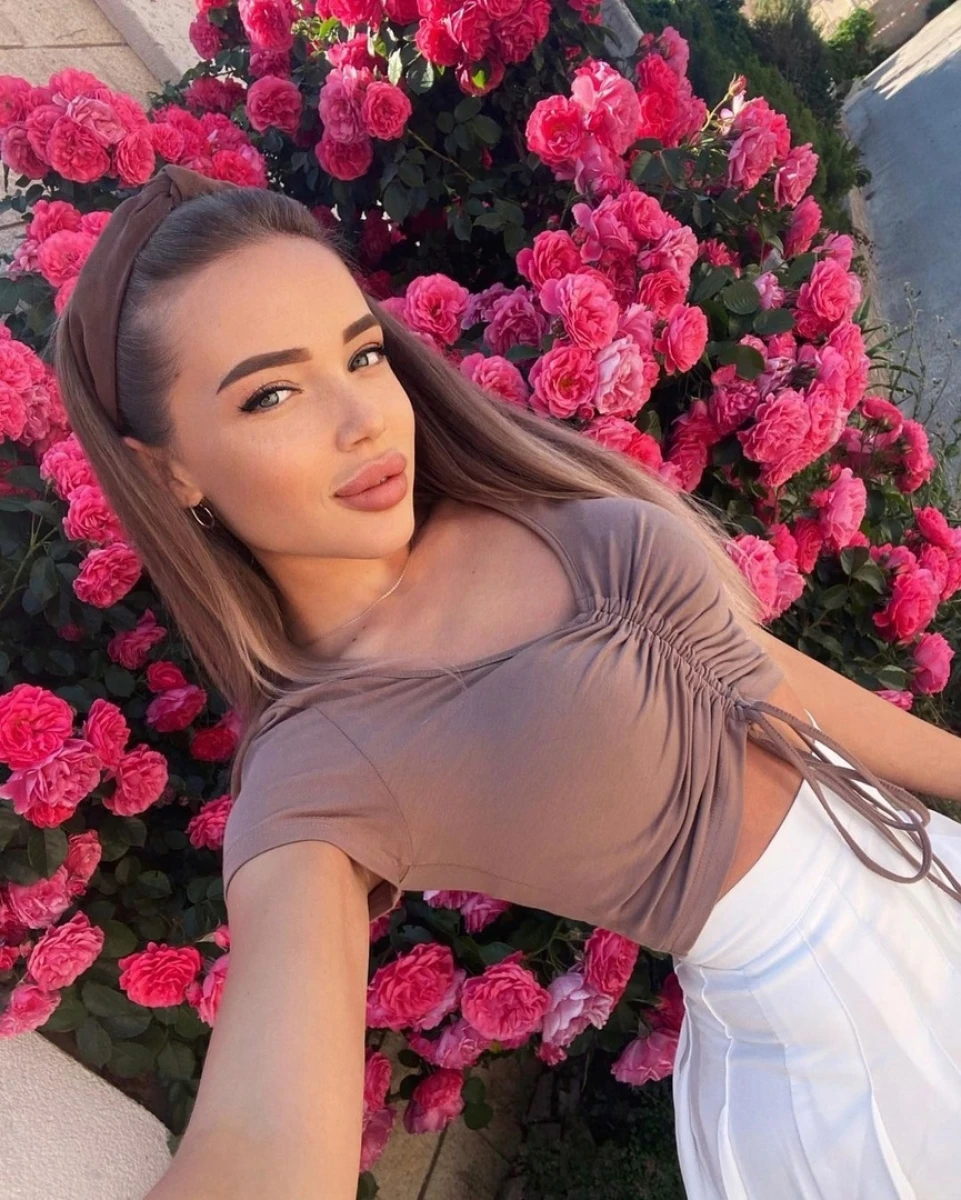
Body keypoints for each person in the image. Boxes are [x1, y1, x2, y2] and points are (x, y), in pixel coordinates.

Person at [51, 164, 961, 1200]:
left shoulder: (492, 493)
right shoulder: (318, 762)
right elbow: (262, 1153)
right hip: (860, 1058)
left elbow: (750, 674)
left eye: (360, 354)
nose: (361, 419)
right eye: (272, 393)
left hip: (922, 870)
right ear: (168, 470)